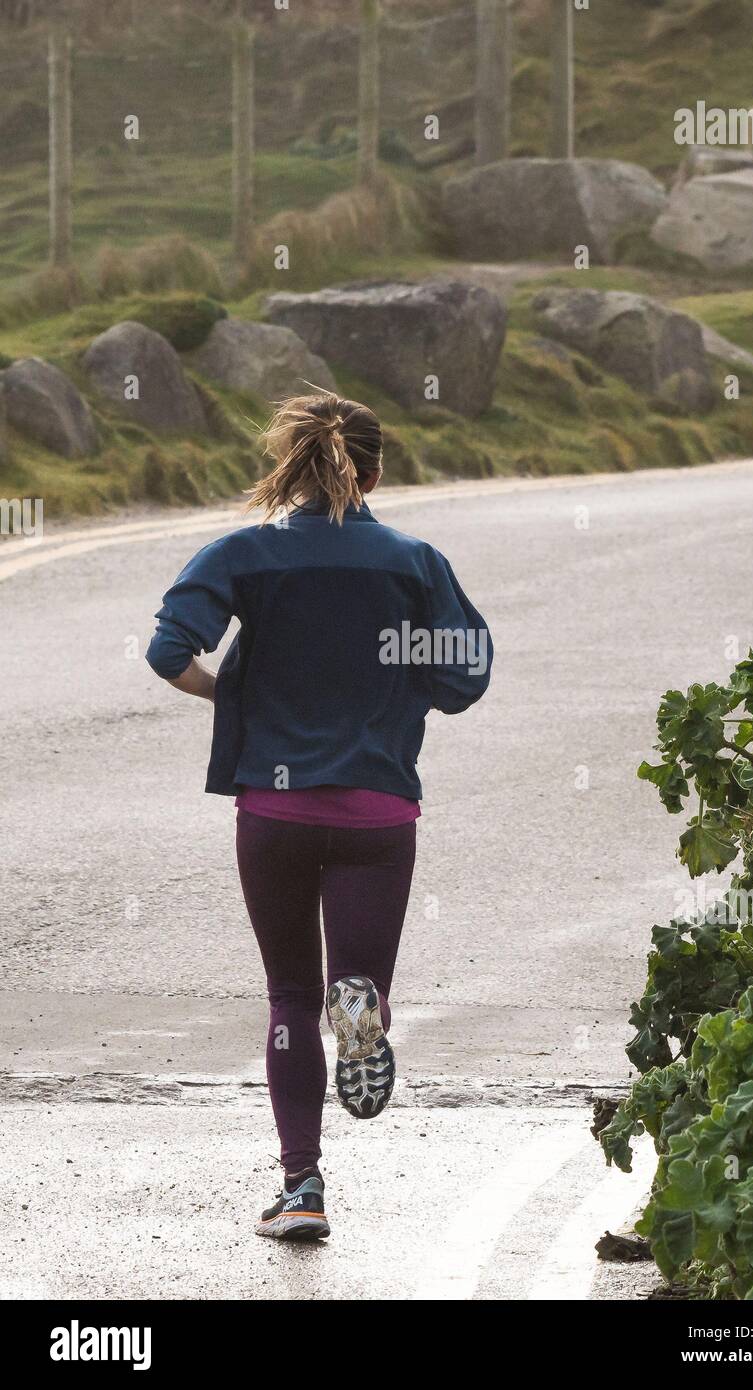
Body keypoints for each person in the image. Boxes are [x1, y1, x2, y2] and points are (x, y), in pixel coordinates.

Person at [146, 390, 492, 1240]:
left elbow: (167, 651)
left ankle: (302, 1188)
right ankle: (363, 1002)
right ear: (376, 470)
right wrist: (402, 678)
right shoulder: (415, 562)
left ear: (292, 470)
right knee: (349, 986)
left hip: (275, 810)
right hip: (378, 812)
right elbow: (465, 677)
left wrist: (235, 694)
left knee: (290, 997)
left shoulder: (246, 552)